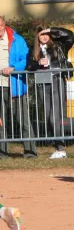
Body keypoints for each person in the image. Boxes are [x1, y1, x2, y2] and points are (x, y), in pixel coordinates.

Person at [27, 26, 74, 159]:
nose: (44, 37)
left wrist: (52, 29)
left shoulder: (59, 46)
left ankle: (61, 148)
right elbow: (29, 66)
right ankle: (57, 147)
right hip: (42, 84)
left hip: (57, 80)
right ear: (37, 36)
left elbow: (70, 35)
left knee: (55, 116)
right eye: (41, 34)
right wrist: (38, 64)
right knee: (48, 116)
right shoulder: (33, 49)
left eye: (46, 34)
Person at [0, 17, 36, 159]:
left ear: (4, 25)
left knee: (22, 119)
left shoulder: (17, 40)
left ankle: (30, 151)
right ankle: (2, 153)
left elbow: (25, 59)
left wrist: (13, 68)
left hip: (15, 84)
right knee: (0, 122)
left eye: (0, 25)